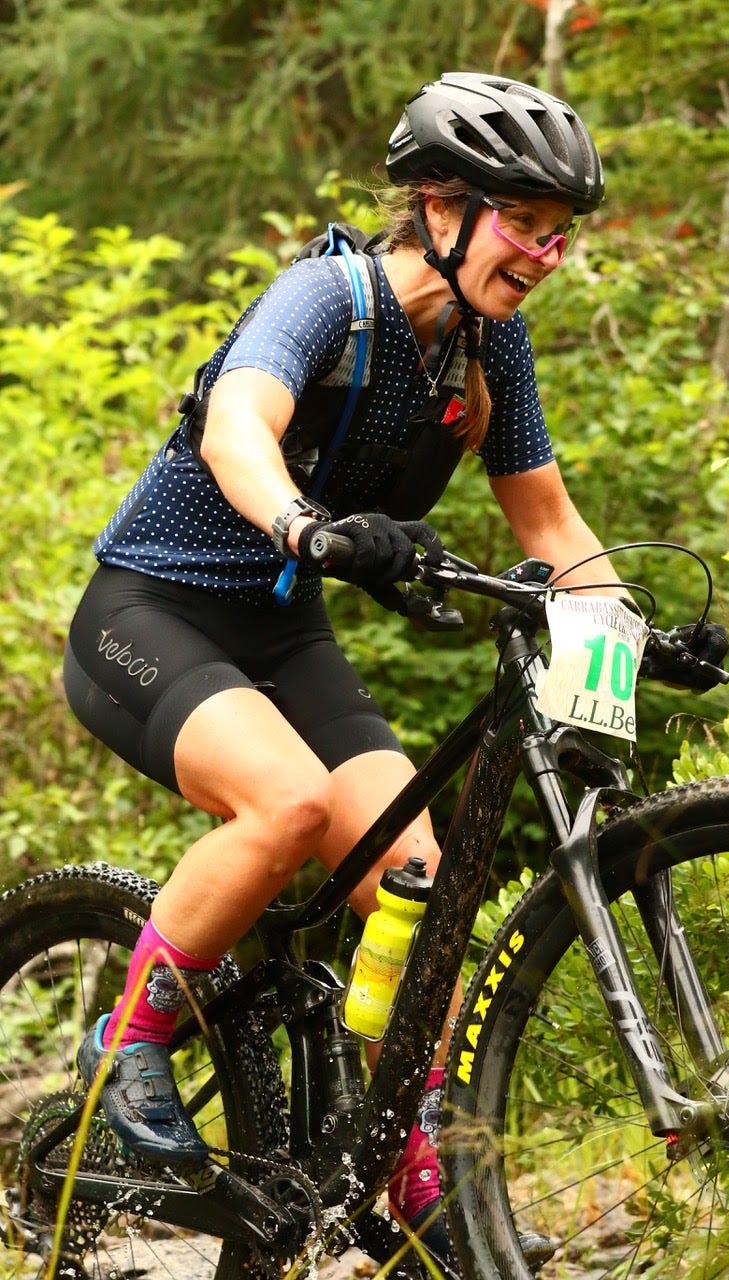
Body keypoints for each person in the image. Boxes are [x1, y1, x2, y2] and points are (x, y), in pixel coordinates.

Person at [64, 71, 624, 1259]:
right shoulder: (328, 298)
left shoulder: (487, 348)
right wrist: (304, 525)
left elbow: (547, 523)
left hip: (281, 636)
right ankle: (127, 1048)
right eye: (525, 224)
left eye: (558, 232)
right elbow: (239, 426)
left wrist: (630, 629)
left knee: (418, 882)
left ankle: (403, 1158)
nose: (546, 254)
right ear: (442, 207)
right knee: (289, 804)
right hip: (151, 611)